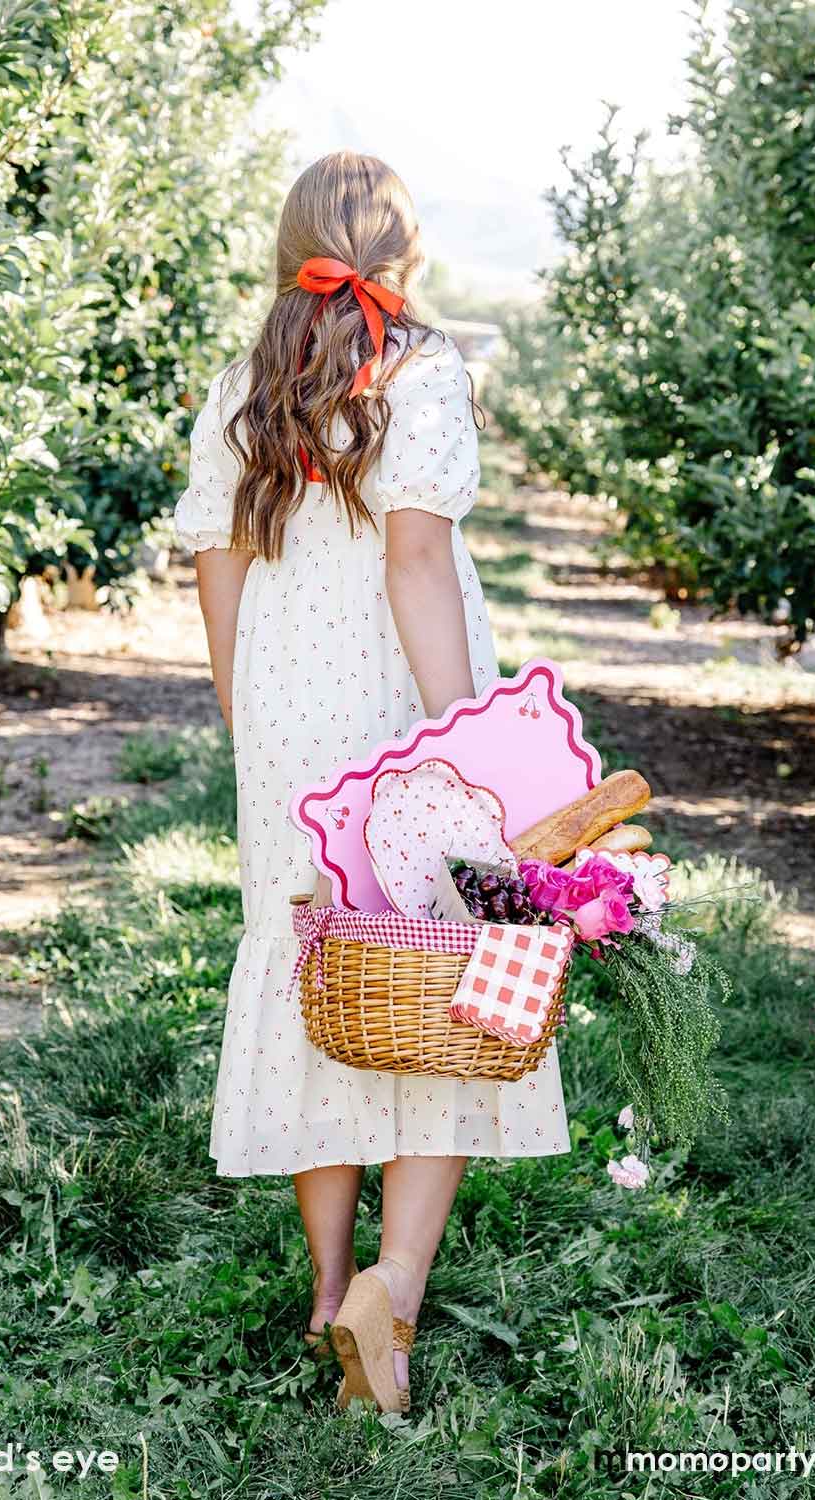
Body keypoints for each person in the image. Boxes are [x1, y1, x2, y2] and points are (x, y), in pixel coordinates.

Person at [174, 150, 570, 1414]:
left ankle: (326, 1286)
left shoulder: (249, 380)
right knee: (442, 986)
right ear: (402, 249)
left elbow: (220, 563)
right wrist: (468, 742)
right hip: (405, 709)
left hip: (289, 719)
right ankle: (388, 1300)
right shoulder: (420, 370)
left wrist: (245, 702)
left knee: (320, 976)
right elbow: (415, 566)